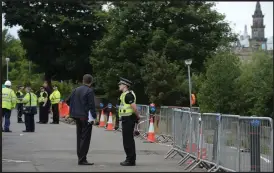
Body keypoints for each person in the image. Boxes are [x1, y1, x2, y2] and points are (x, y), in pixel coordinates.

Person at [65, 74, 96, 165]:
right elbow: (91, 105)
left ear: (83, 80)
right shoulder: (89, 91)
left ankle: (80, 156)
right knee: (85, 138)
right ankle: (82, 159)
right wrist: (94, 117)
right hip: (85, 116)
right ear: (91, 81)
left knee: (79, 137)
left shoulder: (76, 90)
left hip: (77, 116)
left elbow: (67, 101)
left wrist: (75, 107)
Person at [118, 77, 140, 166]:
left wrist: (138, 116)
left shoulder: (128, 95)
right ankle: (130, 158)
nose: (119, 85)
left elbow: (134, 107)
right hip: (126, 119)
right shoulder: (124, 95)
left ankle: (130, 160)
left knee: (128, 140)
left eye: (120, 84)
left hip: (128, 119)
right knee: (127, 139)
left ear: (125, 86)